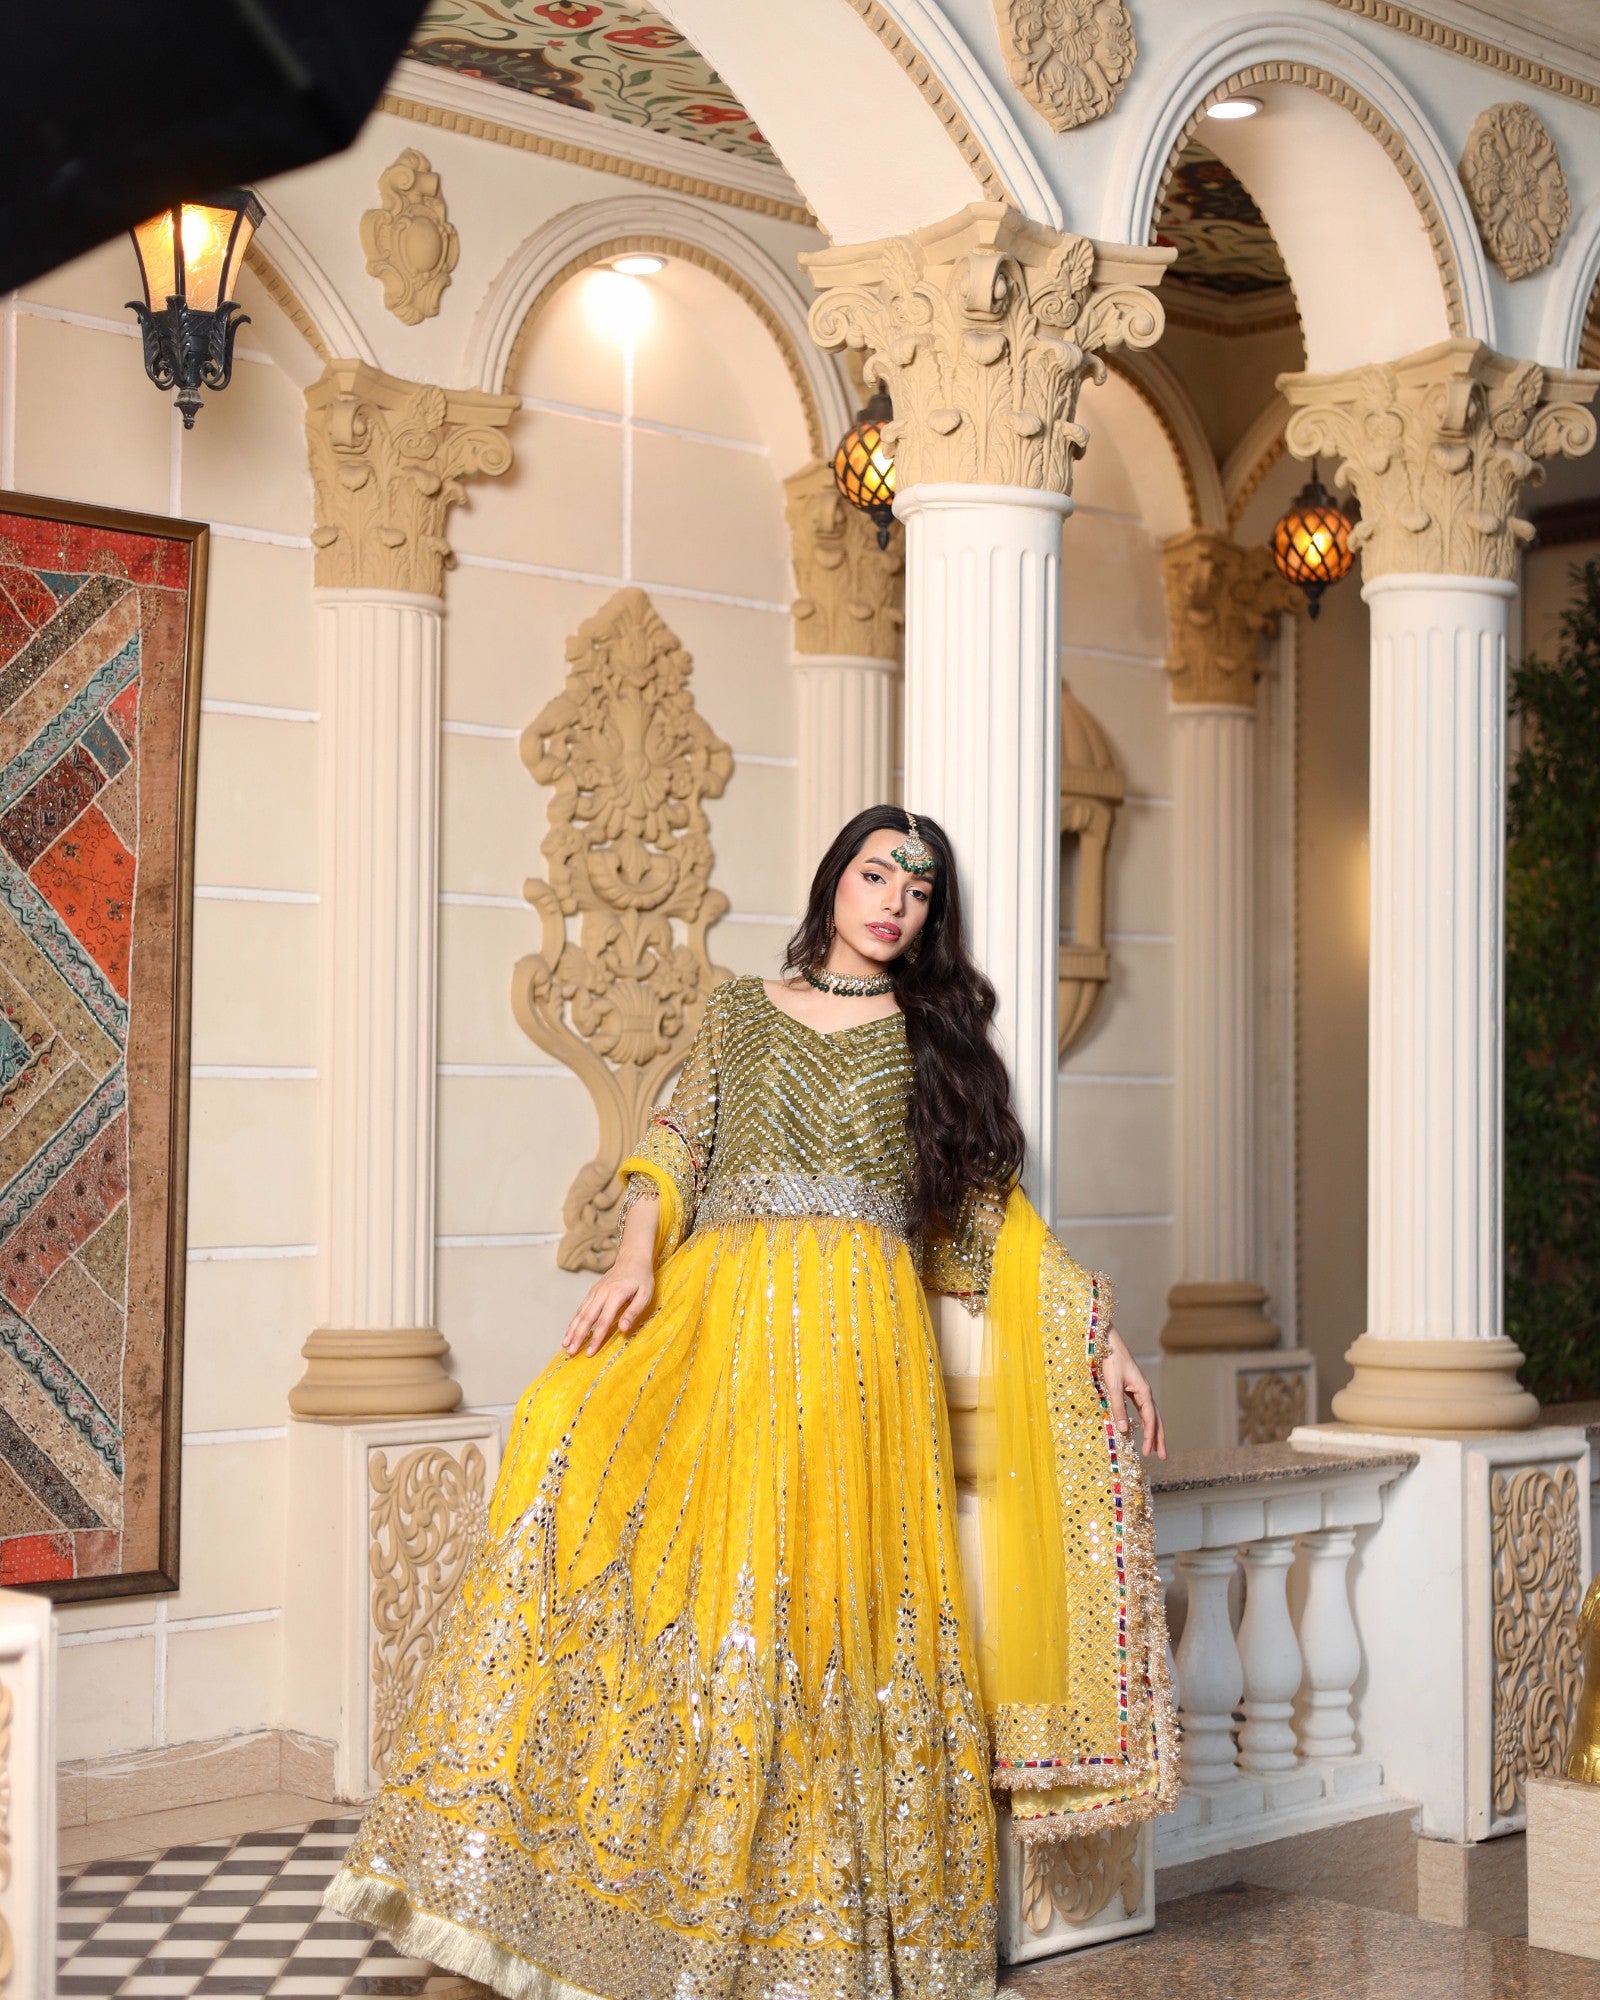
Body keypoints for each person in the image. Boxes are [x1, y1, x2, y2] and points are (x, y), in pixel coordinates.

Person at [324, 805, 1177, 2000]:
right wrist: (634, 1256)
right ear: (834, 879)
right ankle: (509, 1906)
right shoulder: (738, 1008)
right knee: (573, 1465)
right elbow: (679, 1137)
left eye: (918, 889)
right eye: (876, 872)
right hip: (718, 1317)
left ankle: (785, 1938)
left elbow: (992, 1220)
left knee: (814, 1611)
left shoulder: (931, 1037)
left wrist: (1102, 1335)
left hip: (858, 1357)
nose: (893, 898)